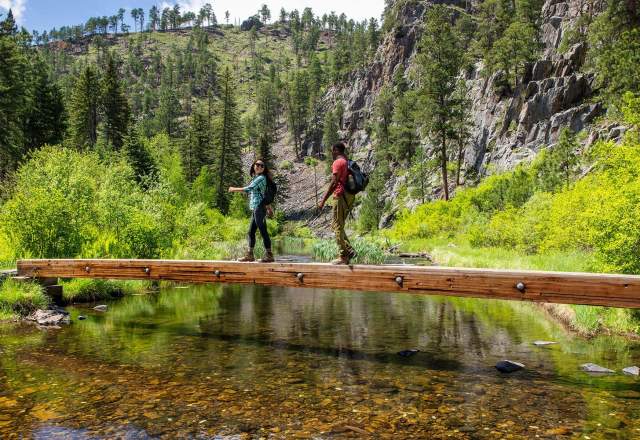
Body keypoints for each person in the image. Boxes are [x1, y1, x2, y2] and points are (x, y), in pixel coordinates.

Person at [228, 160, 275, 263]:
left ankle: (269, 255)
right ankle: (250, 255)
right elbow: (263, 194)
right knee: (251, 232)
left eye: (262, 166)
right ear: (254, 166)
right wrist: (269, 208)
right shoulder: (257, 178)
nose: (259, 167)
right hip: (257, 208)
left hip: (259, 208)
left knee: (263, 231)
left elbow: (249, 188)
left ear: (263, 168)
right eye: (257, 165)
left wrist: (233, 189)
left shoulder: (261, 178)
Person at [318, 142, 356, 265]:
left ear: (336, 150)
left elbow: (334, 183)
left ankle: (343, 256)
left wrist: (323, 200)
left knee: (337, 226)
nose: (331, 153)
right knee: (339, 225)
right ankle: (349, 250)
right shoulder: (347, 161)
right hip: (349, 196)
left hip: (340, 196)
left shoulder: (338, 162)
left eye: (332, 150)